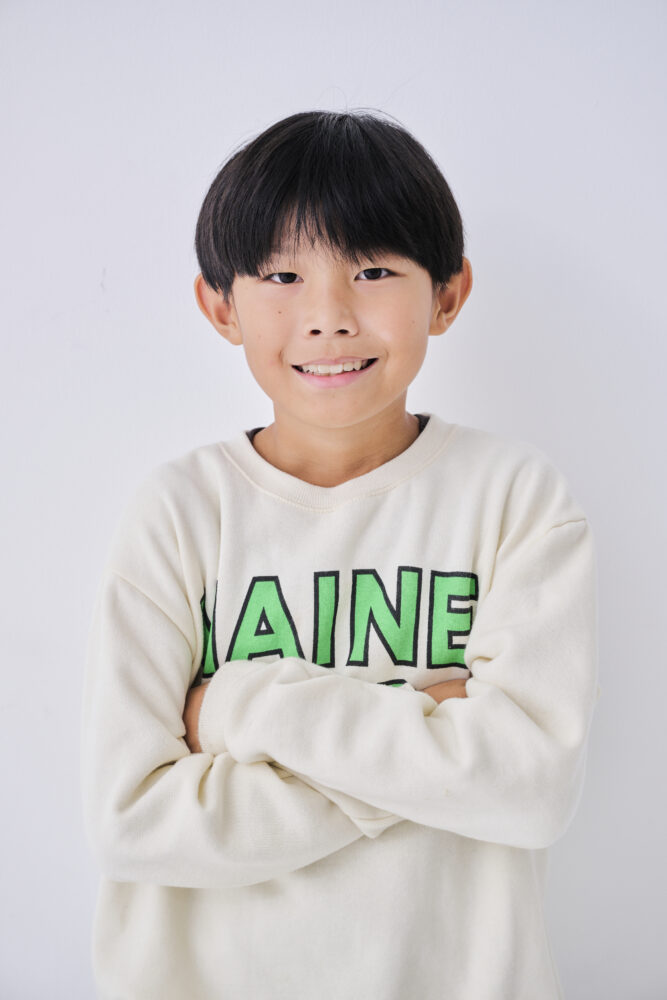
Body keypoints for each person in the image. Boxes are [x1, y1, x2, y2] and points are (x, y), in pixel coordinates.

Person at [80, 109, 601, 1000]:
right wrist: (430, 730)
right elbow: (133, 823)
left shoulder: (514, 498)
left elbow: (530, 791)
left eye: (372, 271)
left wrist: (238, 707)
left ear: (447, 294)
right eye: (282, 275)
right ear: (220, 305)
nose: (327, 318)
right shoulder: (179, 512)